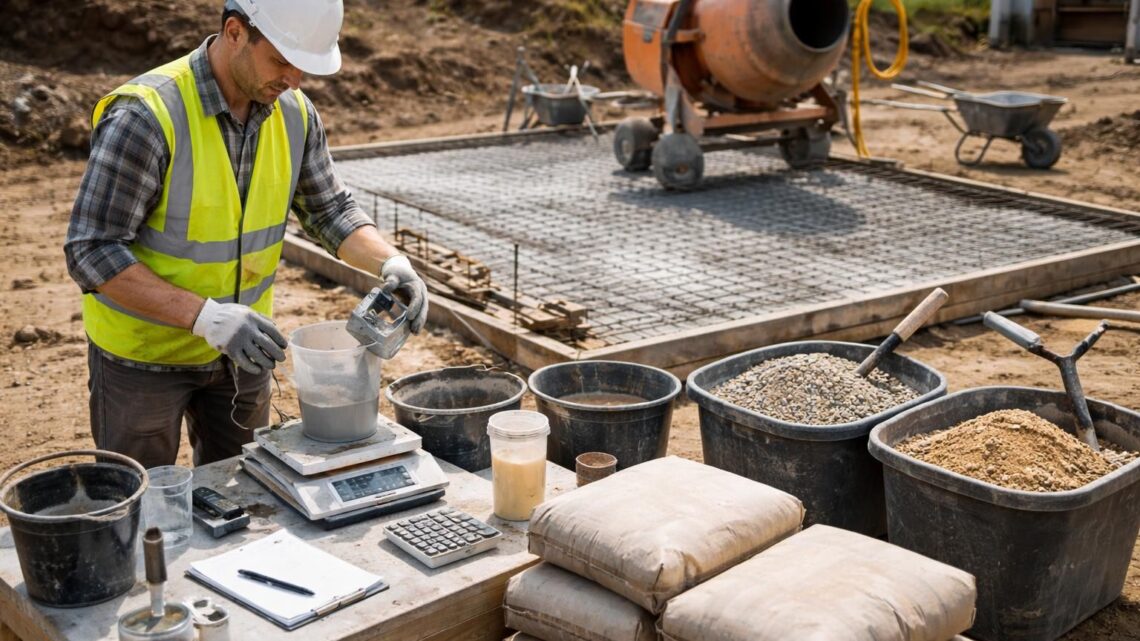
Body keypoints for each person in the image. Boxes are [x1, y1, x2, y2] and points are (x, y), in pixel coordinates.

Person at [63, 0, 428, 469]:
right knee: (140, 506)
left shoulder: (294, 113)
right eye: (281, 61)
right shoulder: (148, 116)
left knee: (246, 499)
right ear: (235, 32)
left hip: (243, 355)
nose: (293, 80)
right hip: (143, 359)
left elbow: (330, 210)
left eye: (304, 68)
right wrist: (204, 317)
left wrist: (392, 263)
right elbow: (91, 250)